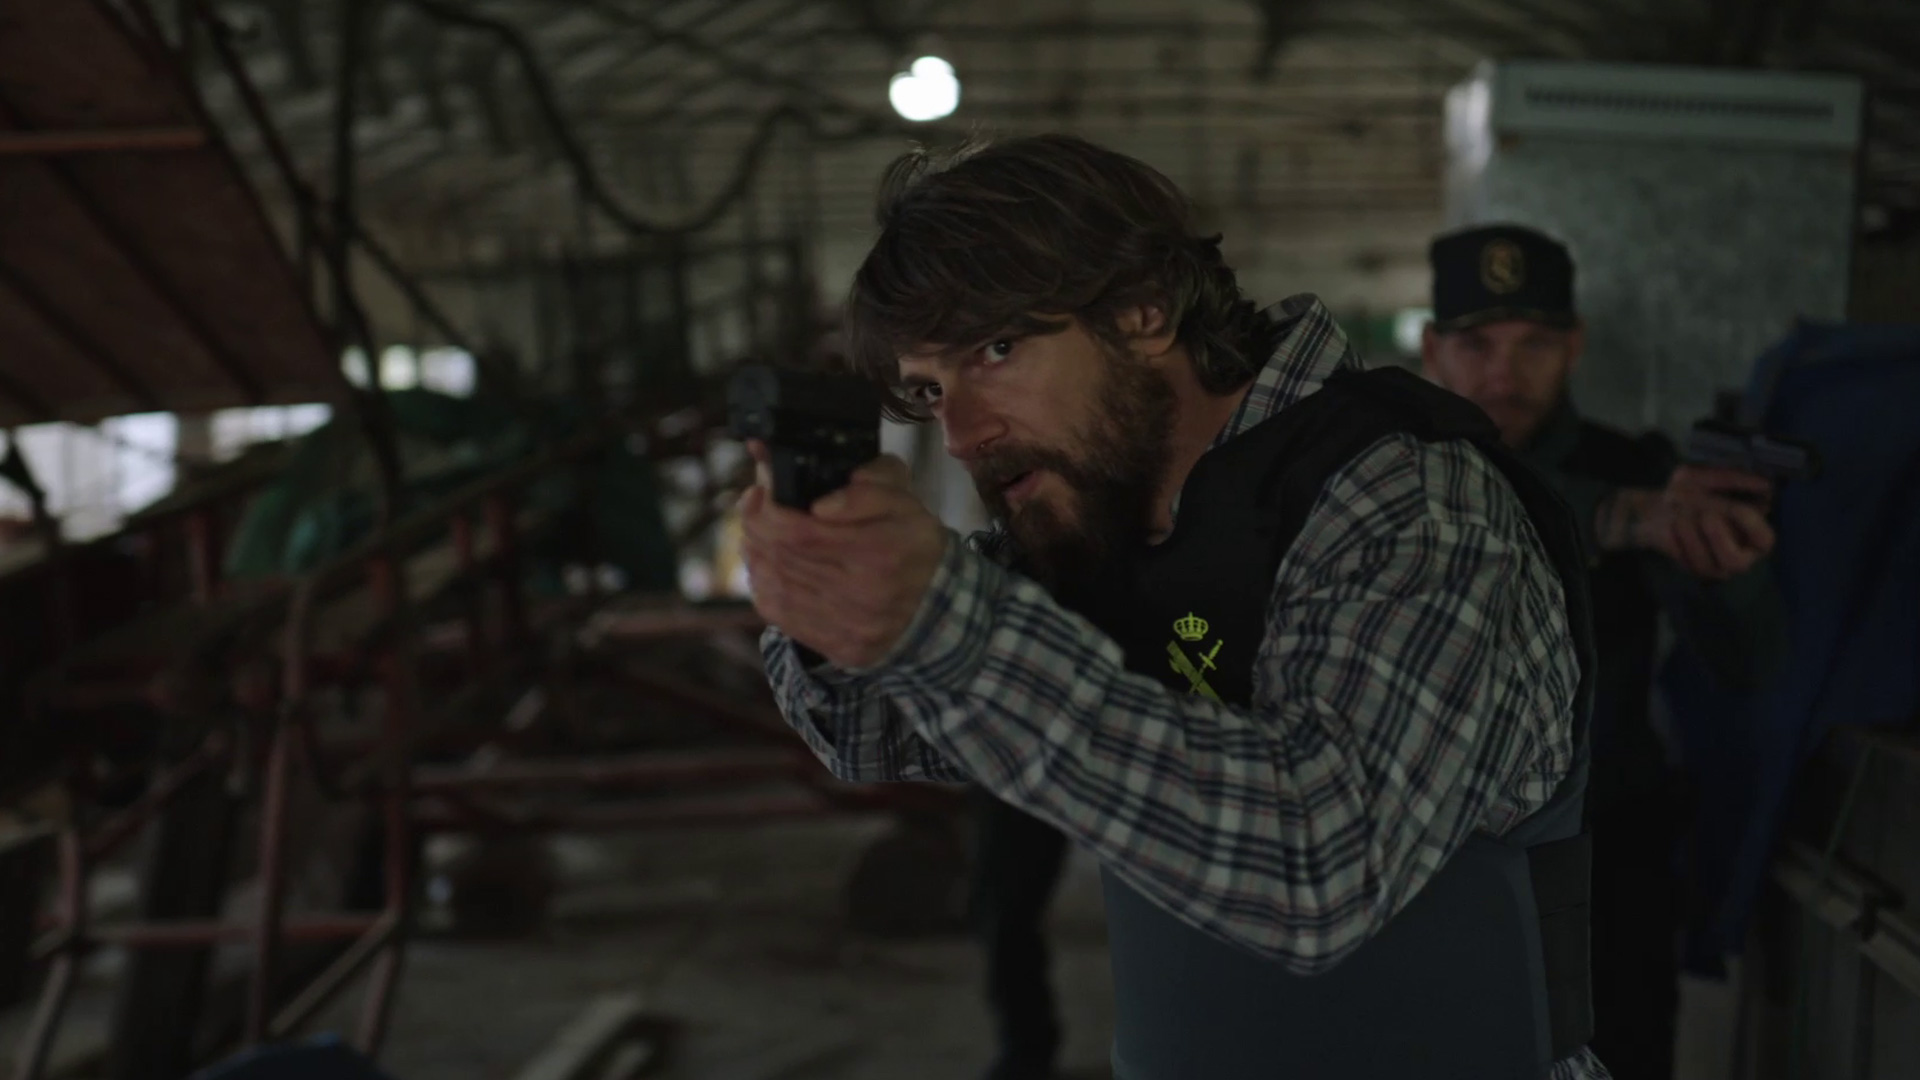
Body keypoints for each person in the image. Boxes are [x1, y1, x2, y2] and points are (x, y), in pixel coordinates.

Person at [741, 135, 1606, 1080]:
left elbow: (1323, 866)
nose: (961, 434)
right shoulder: (1104, 521)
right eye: (930, 389)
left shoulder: (1411, 501)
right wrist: (832, 603)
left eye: (996, 350)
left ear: (1144, 312)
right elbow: (869, 732)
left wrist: (946, 629)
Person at [1420, 223, 1787, 1080]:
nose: (1505, 374)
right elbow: (1485, 505)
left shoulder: (1643, 469)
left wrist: (1726, 571)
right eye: (1477, 344)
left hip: (1607, 863)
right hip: (1439, 863)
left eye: (1535, 344)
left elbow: (1750, 664)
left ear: (1575, 345)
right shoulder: (1403, 470)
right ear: (1434, 349)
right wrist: (1624, 516)